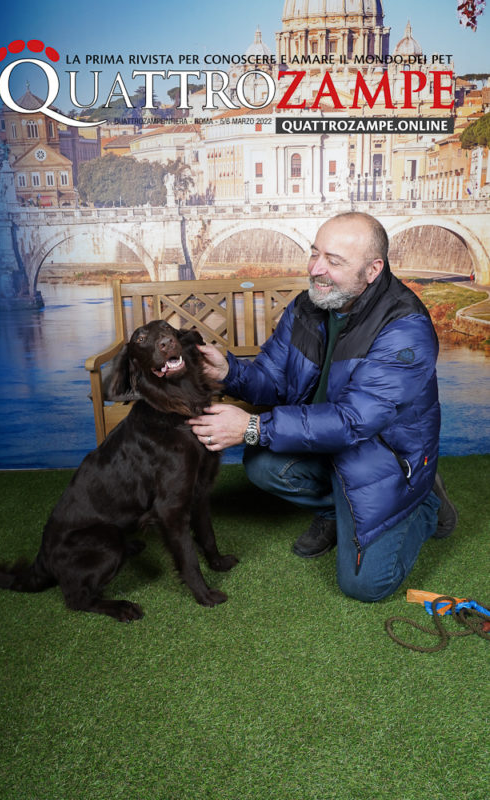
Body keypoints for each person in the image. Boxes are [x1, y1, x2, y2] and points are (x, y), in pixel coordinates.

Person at [188, 212, 458, 602]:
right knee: (262, 464)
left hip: (380, 458)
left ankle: (426, 502)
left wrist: (254, 427)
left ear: (372, 270)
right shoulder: (308, 306)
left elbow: (352, 422)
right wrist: (229, 371)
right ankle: (336, 513)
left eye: (334, 260)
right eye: (315, 253)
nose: (316, 269)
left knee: (364, 587)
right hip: (324, 443)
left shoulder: (405, 327)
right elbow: (273, 380)